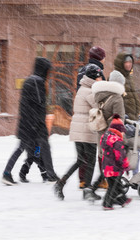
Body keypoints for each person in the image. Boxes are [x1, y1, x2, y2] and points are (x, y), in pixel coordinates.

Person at [1, 57, 59, 185]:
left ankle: (7, 173)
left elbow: (26, 105)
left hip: (26, 122)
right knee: (44, 147)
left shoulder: (29, 81)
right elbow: (39, 105)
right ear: (44, 70)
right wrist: (39, 124)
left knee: (21, 148)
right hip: (34, 124)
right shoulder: (38, 82)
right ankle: (50, 175)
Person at [54, 64, 103, 200]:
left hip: (78, 129)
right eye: (99, 77)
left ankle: (61, 182)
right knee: (91, 160)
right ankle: (87, 189)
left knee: (80, 160)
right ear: (94, 77)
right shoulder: (90, 91)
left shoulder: (83, 88)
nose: (100, 80)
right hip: (86, 130)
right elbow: (100, 106)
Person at [83, 70, 126, 198]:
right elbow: (118, 120)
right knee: (114, 166)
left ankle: (115, 194)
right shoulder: (117, 98)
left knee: (107, 164)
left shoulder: (101, 94)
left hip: (101, 135)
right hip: (112, 137)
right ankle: (110, 195)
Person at [77, 46, 108, 190]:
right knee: (101, 149)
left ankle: (83, 180)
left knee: (84, 152)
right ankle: (102, 179)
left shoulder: (82, 71)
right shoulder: (97, 71)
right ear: (101, 58)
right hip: (95, 115)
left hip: (83, 113)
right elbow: (102, 95)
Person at [114, 52, 140, 175]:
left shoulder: (129, 77)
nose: (129, 64)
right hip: (125, 119)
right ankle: (125, 173)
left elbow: (132, 96)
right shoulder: (117, 78)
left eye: (130, 62)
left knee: (135, 147)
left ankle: (134, 172)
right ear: (121, 63)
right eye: (126, 62)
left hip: (133, 118)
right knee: (128, 147)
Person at [100, 114, 131, 210]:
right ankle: (107, 204)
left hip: (106, 167)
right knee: (113, 187)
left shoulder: (105, 137)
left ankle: (122, 200)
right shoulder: (117, 141)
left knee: (116, 185)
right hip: (115, 167)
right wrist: (125, 165)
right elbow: (120, 156)